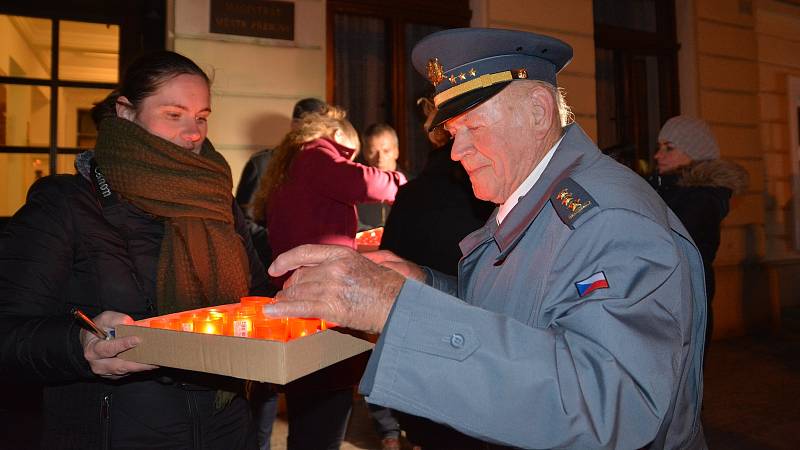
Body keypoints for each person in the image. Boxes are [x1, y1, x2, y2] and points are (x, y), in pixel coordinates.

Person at [263, 28, 708, 450]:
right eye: (454, 133)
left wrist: (393, 307)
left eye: (473, 128)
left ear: (538, 111)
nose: (456, 152)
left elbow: (608, 405)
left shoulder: (606, 218)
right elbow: (530, 318)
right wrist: (421, 289)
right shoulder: (536, 194)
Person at [0, 51, 269, 449]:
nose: (193, 132)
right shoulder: (66, 204)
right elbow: (8, 332)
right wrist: (80, 344)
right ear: (126, 113)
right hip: (115, 433)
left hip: (226, 428)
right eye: (174, 114)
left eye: (201, 116)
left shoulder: (216, 200)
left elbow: (256, 296)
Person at [253, 107, 406, 450]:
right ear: (336, 135)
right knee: (323, 420)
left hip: (302, 302)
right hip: (323, 307)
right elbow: (367, 182)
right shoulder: (317, 155)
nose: (350, 159)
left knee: (308, 414)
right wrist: (401, 181)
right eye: (349, 152)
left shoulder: (292, 167)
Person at [652, 115, 748, 347]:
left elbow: (663, 250)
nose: (658, 155)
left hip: (680, 311)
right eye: (659, 147)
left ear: (693, 153)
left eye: (669, 148)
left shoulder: (700, 200)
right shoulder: (670, 190)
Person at [235, 98, 330, 268]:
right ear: (294, 125)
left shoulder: (328, 166)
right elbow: (243, 223)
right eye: (314, 128)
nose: (321, 137)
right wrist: (284, 242)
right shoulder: (262, 164)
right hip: (271, 264)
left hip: (320, 265)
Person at [357, 123, 405, 230]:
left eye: (386, 151)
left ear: (396, 151)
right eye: (373, 152)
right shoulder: (355, 189)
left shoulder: (413, 185)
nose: (380, 158)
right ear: (365, 153)